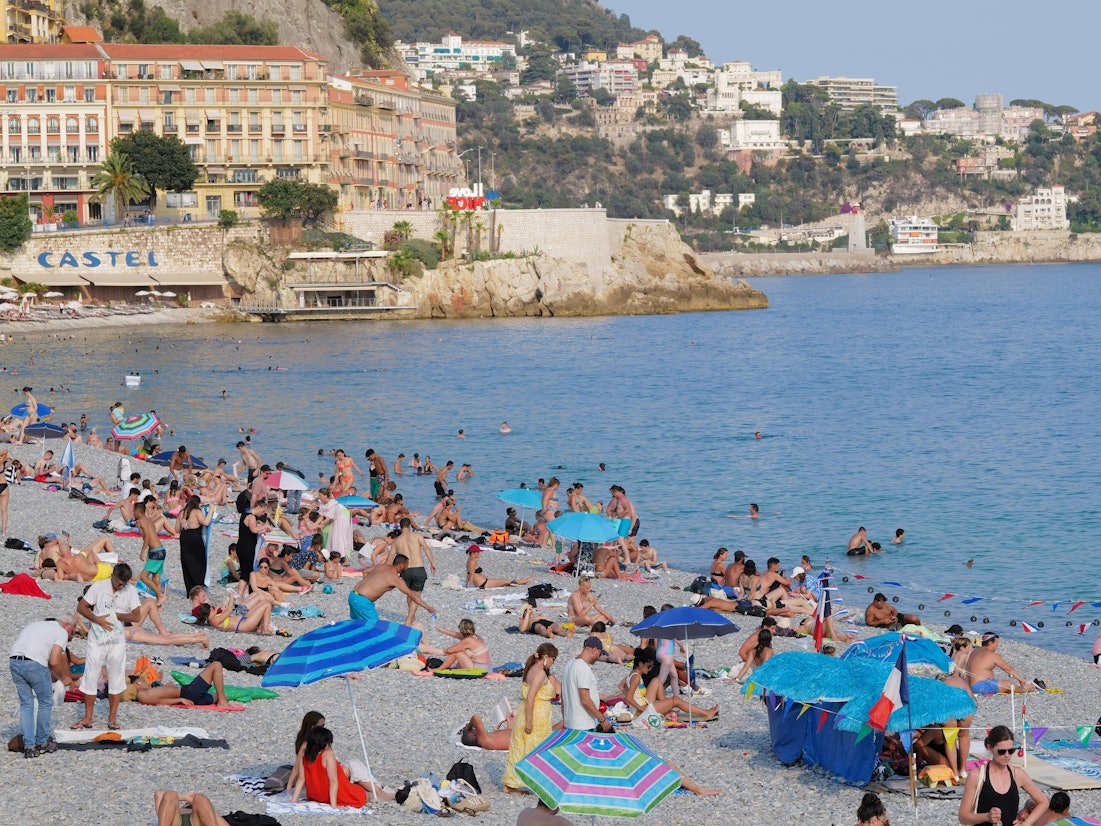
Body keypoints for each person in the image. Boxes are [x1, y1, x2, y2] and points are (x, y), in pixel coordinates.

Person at [72, 563, 142, 730]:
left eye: (124, 583)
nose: (121, 586)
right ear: (113, 576)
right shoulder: (99, 587)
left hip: (117, 639)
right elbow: (81, 607)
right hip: (97, 638)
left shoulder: (130, 591)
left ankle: (112, 718)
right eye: (119, 583)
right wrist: (97, 619)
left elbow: (137, 615)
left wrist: (114, 615)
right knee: (91, 675)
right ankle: (88, 717)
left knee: (116, 677)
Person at [9, 613, 78, 757]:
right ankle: (42, 741)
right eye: (73, 631)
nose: (72, 635)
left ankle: (29, 746)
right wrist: (64, 677)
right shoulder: (61, 632)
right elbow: (54, 661)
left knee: (26, 704)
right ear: (68, 625)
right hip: (33, 663)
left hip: (14, 661)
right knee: (45, 701)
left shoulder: (37, 625)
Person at [959, 724, 1048, 826]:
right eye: (1002, 751)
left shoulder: (1017, 774)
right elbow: (963, 817)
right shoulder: (977, 776)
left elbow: (1043, 802)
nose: (1007, 755)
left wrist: (1026, 824)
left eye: (1011, 751)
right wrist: (987, 817)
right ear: (990, 748)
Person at [502, 643, 560, 793]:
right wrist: (529, 721)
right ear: (545, 657)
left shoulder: (530, 669)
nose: (553, 662)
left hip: (527, 712)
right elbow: (531, 697)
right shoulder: (540, 672)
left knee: (520, 746)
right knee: (536, 749)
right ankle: (536, 782)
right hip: (535, 715)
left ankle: (513, 782)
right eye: (553, 659)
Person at [291, 726, 384, 807]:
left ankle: (388, 793)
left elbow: (301, 778)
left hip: (314, 795)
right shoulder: (327, 754)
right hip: (335, 795)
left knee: (361, 789)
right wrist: (334, 805)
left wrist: (294, 800)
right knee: (368, 795)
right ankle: (391, 795)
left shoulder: (305, 755)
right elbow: (333, 781)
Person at [349, 554, 436, 626]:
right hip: (362, 601)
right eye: (406, 565)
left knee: (358, 625)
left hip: (353, 595)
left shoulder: (381, 566)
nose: (407, 568)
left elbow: (366, 571)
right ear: (401, 565)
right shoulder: (395, 578)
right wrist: (427, 607)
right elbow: (412, 595)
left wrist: (367, 586)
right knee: (375, 628)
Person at [561, 637, 614, 733]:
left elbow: (564, 697)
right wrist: (602, 719)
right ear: (594, 650)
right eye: (600, 653)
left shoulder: (568, 665)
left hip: (570, 723)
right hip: (583, 724)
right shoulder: (583, 668)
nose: (599, 657)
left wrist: (565, 720)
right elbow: (585, 700)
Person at [392, 517, 436, 625]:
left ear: (400, 527)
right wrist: (432, 563)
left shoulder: (397, 541)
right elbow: (426, 548)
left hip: (405, 570)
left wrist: (387, 571)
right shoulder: (416, 536)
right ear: (410, 526)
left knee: (410, 594)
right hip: (418, 569)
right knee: (416, 595)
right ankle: (409, 619)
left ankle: (411, 616)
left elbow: (390, 557)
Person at [966, 633, 1041, 695]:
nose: (997, 645)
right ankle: (1030, 688)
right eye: (996, 643)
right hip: (980, 686)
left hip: (968, 685)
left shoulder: (974, 652)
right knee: (1010, 685)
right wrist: (1022, 680)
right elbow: (1008, 669)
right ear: (990, 643)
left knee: (1008, 683)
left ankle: (1027, 685)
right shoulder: (991, 655)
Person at [133, 661, 232, 708]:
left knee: (223, 696)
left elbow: (160, 697)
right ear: (138, 682)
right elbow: (159, 701)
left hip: (191, 697)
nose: (146, 682)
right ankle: (222, 702)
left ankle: (222, 700)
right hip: (188, 693)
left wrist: (168, 688)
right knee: (216, 665)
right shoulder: (142, 694)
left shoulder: (147, 692)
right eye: (143, 680)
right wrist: (179, 699)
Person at [177, 495, 213, 595]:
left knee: (186, 561)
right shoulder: (197, 511)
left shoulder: (181, 512)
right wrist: (210, 511)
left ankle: (190, 589)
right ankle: (199, 585)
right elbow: (205, 522)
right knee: (199, 561)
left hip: (184, 537)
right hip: (195, 536)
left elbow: (176, 529)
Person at [422, 619, 491, 670]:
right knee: (461, 652)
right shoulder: (476, 636)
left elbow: (450, 650)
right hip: (487, 667)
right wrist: (441, 630)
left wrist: (432, 650)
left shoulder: (468, 640)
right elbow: (455, 634)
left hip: (479, 669)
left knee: (456, 652)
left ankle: (439, 669)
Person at [466, 545, 534, 589]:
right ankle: (525, 581)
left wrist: (466, 585)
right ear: (473, 553)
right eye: (478, 552)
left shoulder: (469, 560)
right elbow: (471, 575)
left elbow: (468, 574)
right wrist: (470, 588)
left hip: (482, 583)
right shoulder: (472, 562)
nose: (479, 554)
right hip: (484, 583)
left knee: (504, 582)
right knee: (505, 581)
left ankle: (523, 581)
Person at [152, 790, 229, 826]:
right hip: (176, 823)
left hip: (196, 823)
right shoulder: (170, 811)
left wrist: (208, 810)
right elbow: (158, 794)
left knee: (201, 797)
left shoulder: (203, 811)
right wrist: (185, 797)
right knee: (170, 794)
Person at [317, 487, 352, 560]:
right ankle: (333, 556)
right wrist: (314, 525)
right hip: (333, 520)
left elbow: (328, 518)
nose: (319, 497)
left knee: (340, 538)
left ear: (325, 495)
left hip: (340, 520)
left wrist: (321, 524)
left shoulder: (332, 504)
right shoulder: (322, 503)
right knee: (333, 538)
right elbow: (321, 516)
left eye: (320, 495)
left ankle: (345, 558)